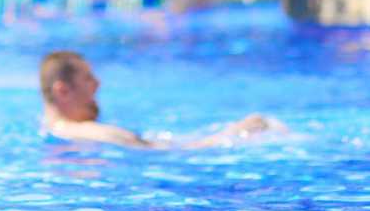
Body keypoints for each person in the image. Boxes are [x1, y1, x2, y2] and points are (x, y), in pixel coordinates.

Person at [39, 50, 278, 148]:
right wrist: (234, 132)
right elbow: (170, 154)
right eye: (88, 79)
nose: (98, 84)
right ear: (63, 91)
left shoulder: (50, 129)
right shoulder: (99, 134)